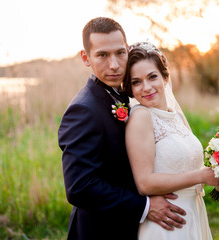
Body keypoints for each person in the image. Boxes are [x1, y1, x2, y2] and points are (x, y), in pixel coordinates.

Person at [58, 17, 186, 240]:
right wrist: (144, 206)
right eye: (102, 55)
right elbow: (80, 187)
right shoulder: (83, 110)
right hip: (100, 231)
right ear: (85, 58)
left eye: (119, 53)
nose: (114, 65)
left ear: (127, 50)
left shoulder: (127, 94)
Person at [123, 42, 219, 239]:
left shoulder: (175, 116)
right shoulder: (141, 117)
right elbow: (144, 183)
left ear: (165, 77)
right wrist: (202, 176)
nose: (146, 88)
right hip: (167, 224)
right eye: (136, 82)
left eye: (152, 77)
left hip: (193, 212)